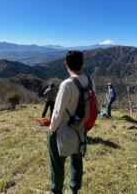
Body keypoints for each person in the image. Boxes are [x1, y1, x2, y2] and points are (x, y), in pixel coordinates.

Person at [48, 51, 90, 194]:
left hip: (63, 131)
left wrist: (51, 130)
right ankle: (74, 190)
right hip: (81, 130)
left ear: (66, 64)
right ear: (82, 64)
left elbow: (58, 112)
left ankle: (56, 190)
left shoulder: (67, 84)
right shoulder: (89, 81)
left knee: (57, 165)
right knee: (77, 163)